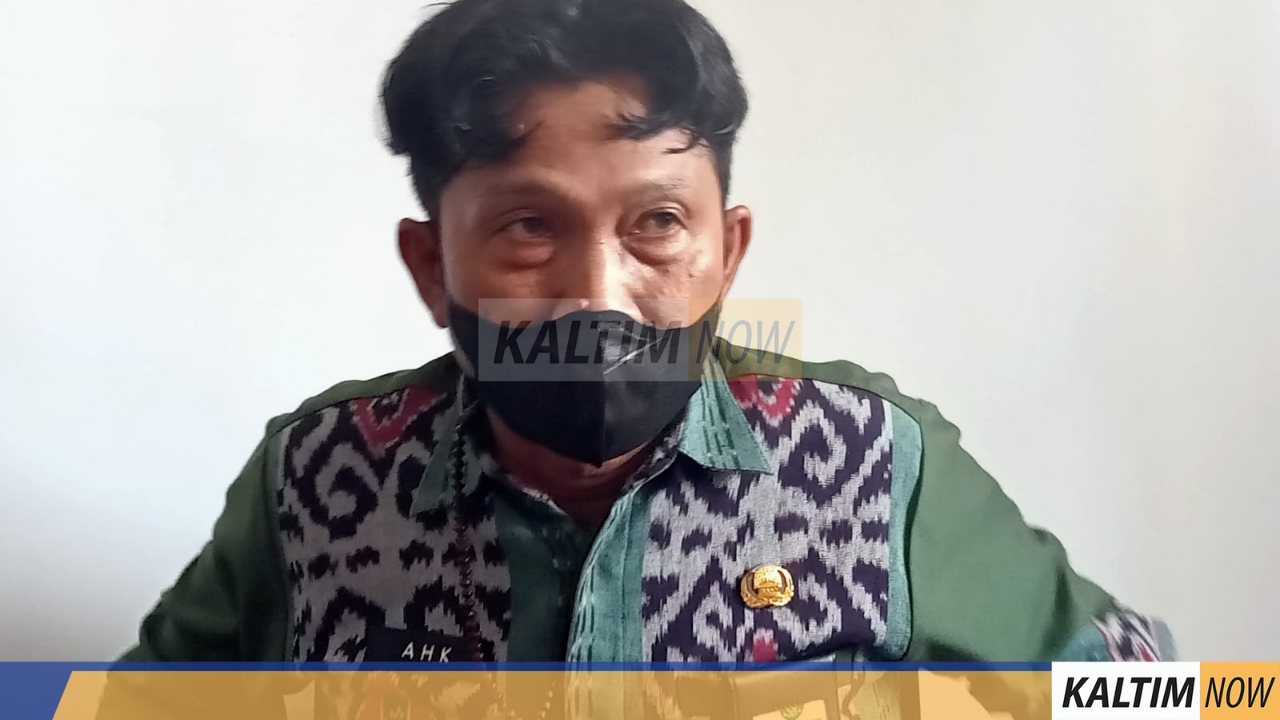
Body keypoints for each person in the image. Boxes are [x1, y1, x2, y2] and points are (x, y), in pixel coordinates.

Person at [99, 0, 1173, 716]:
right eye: (528, 227)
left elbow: (1146, 695)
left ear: (726, 252)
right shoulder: (317, 482)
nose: (599, 294)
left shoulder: (871, 460)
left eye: (656, 223)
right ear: (433, 266)